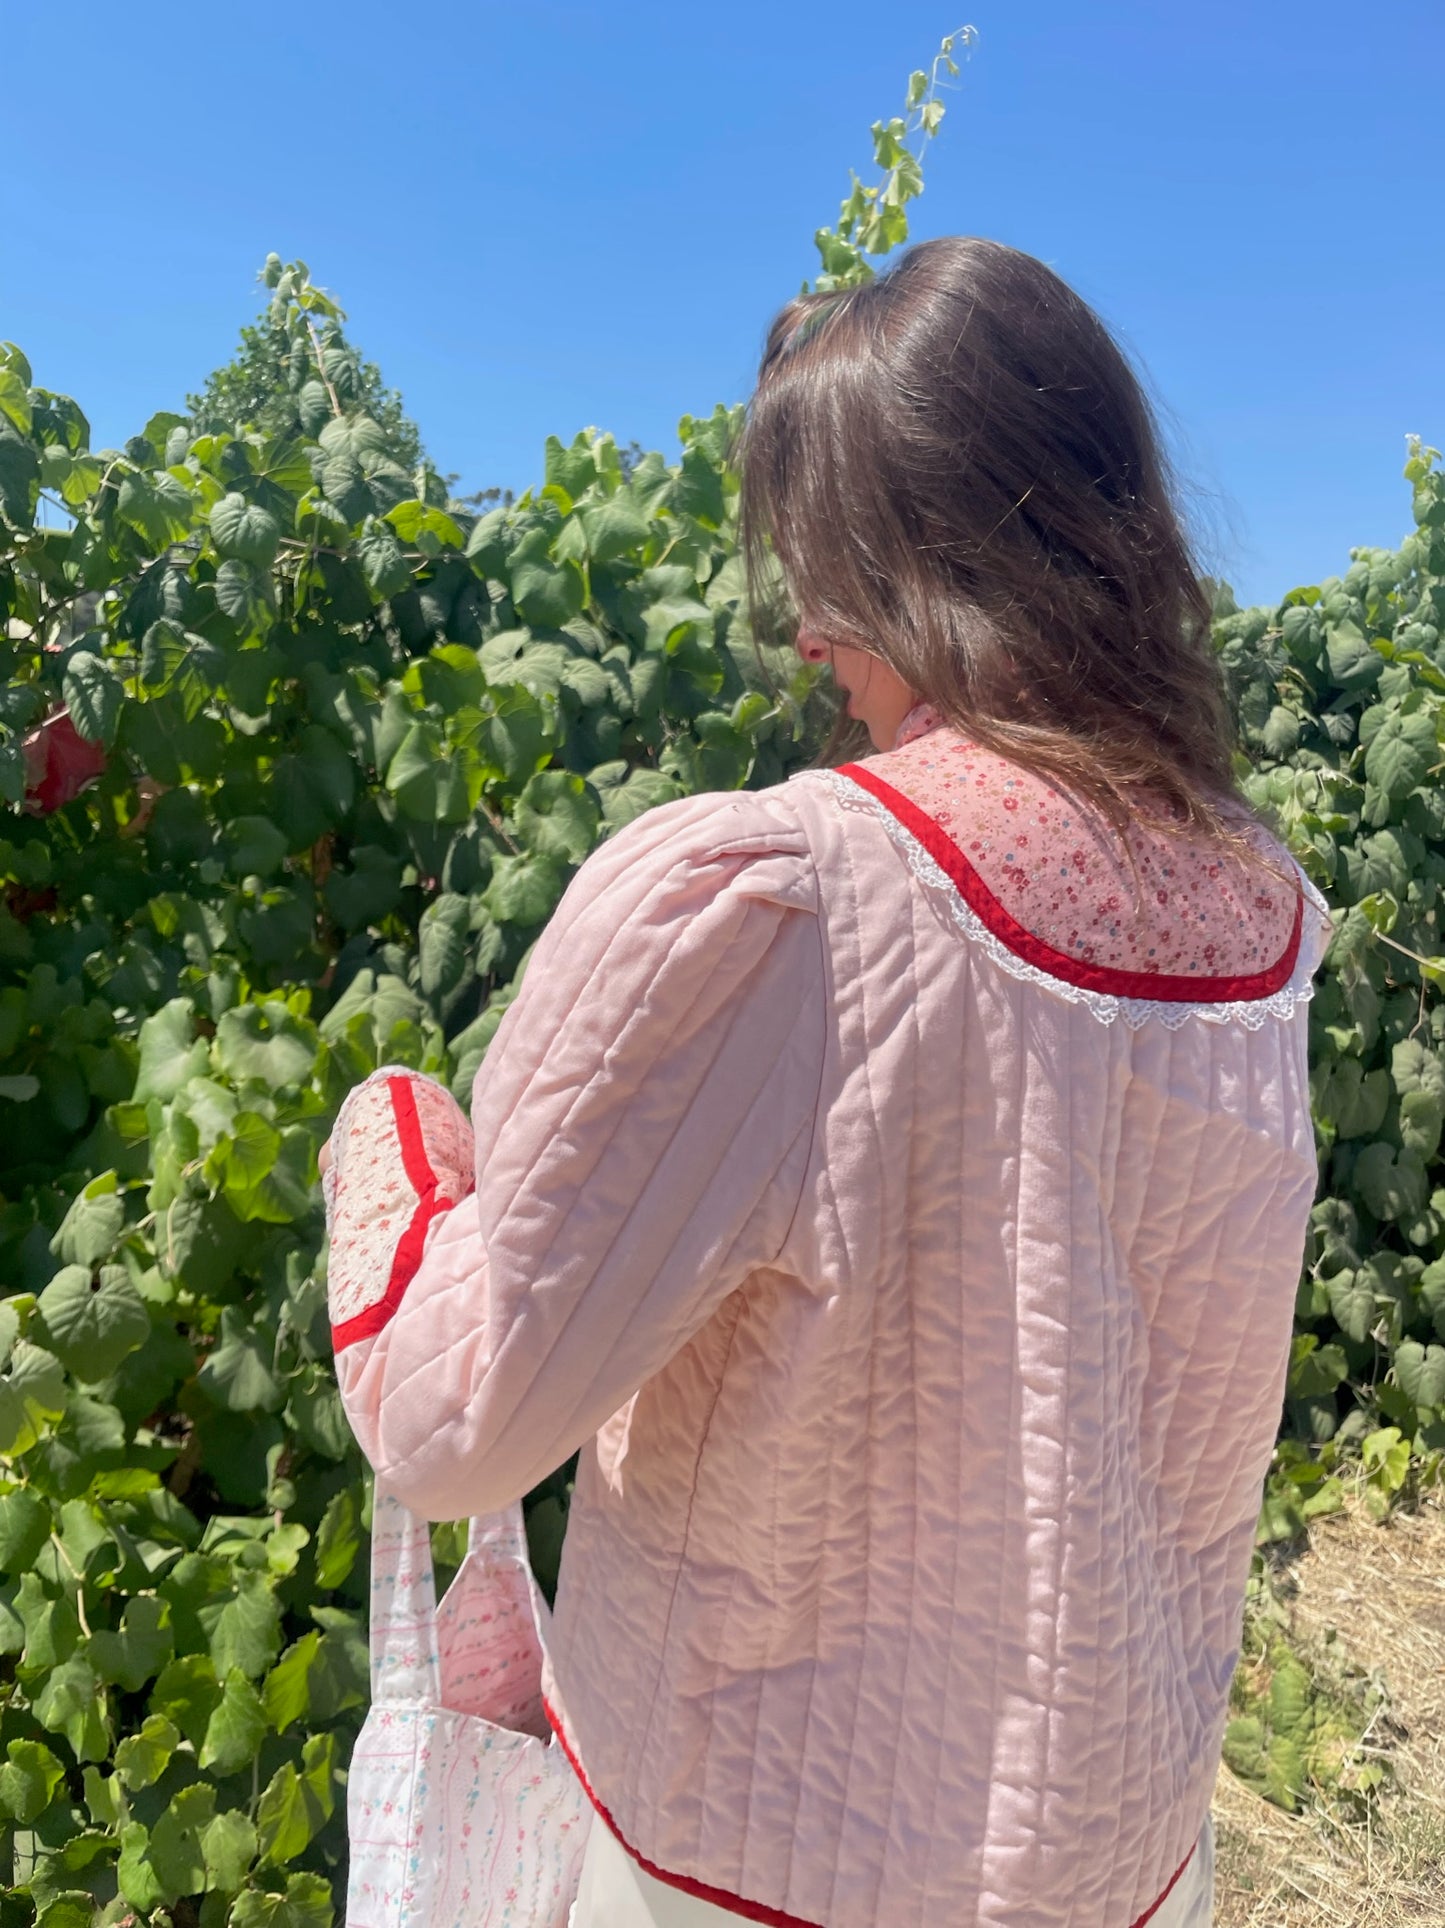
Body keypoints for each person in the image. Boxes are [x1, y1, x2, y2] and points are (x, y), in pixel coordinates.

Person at [320, 236, 1332, 1927]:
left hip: (757, 1866)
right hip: (1129, 1852)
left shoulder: (787, 905)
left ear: (918, 571)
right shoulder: (1259, 911)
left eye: (828, 570)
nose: (801, 632)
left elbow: (459, 1420)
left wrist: (394, 1147)